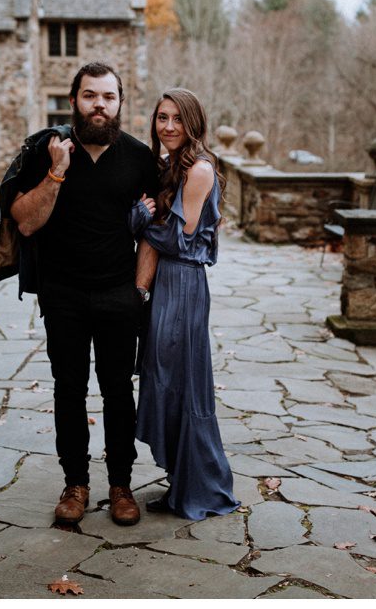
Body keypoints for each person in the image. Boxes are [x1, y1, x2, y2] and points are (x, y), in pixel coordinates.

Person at [9, 61, 159, 526]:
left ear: (119, 103)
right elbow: (25, 222)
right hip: (63, 294)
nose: (100, 105)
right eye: (90, 95)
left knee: (118, 392)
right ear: (73, 100)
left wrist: (138, 289)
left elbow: (153, 233)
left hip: (118, 293)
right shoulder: (47, 151)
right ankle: (75, 483)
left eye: (108, 97)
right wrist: (57, 171)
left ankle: (121, 486)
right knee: (69, 390)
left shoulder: (139, 158)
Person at [131, 88, 240, 520]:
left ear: (194, 123)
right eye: (162, 118)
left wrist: (139, 221)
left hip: (183, 284)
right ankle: (181, 481)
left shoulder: (199, 170)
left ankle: (201, 488)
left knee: (182, 382)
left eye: (177, 118)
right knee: (164, 379)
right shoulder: (169, 166)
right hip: (165, 284)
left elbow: (179, 238)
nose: (168, 126)